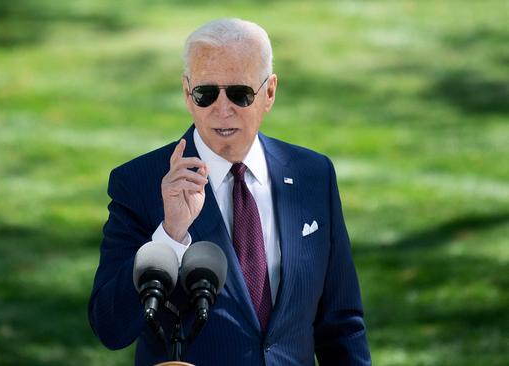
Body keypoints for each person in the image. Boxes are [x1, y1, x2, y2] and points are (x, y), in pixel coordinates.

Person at [88, 18, 371, 365]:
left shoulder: (313, 175)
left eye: (240, 93)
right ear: (187, 94)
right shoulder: (139, 183)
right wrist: (170, 235)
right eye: (206, 94)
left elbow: (341, 325)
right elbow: (110, 327)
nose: (223, 109)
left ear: (269, 93)